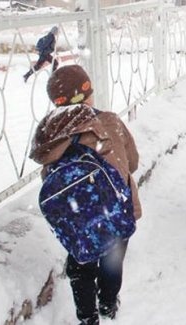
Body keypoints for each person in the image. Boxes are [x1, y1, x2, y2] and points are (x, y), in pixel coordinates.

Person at [29, 65, 141, 325]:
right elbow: (132, 162)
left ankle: (87, 317)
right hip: (115, 209)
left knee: (81, 265)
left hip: (77, 216)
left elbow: (50, 177)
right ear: (87, 93)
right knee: (112, 261)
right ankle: (108, 303)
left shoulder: (51, 136)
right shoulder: (109, 122)